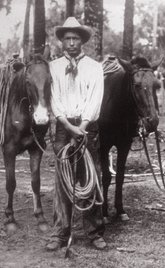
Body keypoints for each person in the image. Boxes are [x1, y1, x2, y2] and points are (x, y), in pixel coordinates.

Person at [46, 17, 106, 251]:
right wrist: (70, 128)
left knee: (90, 178)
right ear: (62, 41)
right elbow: (54, 100)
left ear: (82, 41)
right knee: (62, 180)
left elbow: (95, 99)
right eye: (67, 38)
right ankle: (60, 232)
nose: (71, 43)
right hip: (64, 127)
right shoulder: (54, 67)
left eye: (75, 38)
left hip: (87, 125)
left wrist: (82, 127)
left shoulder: (94, 67)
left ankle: (94, 232)